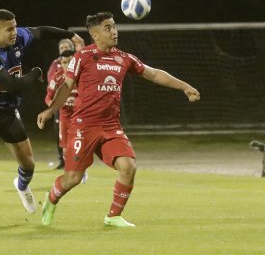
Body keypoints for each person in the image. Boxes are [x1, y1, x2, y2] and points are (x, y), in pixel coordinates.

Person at [37, 12, 200, 227]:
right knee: (73, 179)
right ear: (95, 34)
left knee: (128, 166)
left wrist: (185, 87)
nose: (114, 31)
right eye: (107, 28)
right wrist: (50, 111)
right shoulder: (82, 57)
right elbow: (66, 86)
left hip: (110, 126)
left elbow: (153, 74)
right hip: (83, 126)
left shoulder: (124, 58)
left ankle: (113, 216)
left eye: (114, 26)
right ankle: (51, 200)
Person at [0, 9, 84, 228]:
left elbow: (41, 32)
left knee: (29, 164)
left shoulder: (19, 36)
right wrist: (36, 73)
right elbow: (10, 84)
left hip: (7, 110)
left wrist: (68, 34)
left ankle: (21, 185)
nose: (14, 32)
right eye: (9, 29)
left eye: (15, 26)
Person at [47, 39, 75, 169]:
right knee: (63, 141)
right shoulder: (56, 72)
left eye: (66, 46)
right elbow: (49, 95)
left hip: (81, 113)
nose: (66, 64)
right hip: (64, 112)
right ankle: (65, 163)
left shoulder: (82, 72)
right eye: (61, 47)